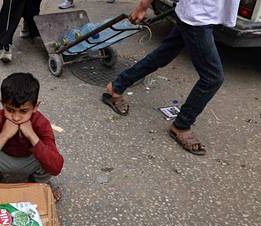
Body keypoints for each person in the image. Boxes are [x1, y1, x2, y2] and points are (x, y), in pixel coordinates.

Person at [103, 0, 240, 155]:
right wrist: (143, 6)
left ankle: (117, 86)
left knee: (163, 55)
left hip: (205, 13)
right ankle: (181, 125)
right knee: (212, 78)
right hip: (198, 17)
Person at [0, 73, 64, 198]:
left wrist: (32, 135)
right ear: (2, 103)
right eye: (10, 110)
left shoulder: (41, 123)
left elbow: (56, 167)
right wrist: (4, 135)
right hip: (3, 159)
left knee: (48, 158)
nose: (16, 117)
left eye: (23, 111)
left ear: (36, 107)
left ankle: (37, 186)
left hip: (30, 160)